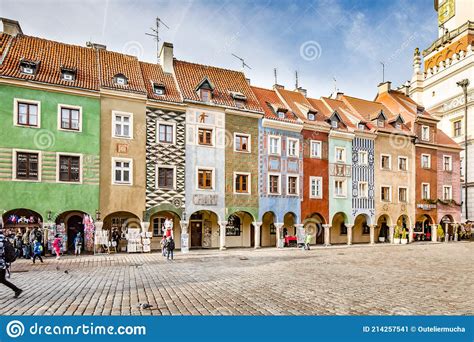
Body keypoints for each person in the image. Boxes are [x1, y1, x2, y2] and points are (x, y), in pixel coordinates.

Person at [0, 227, 23, 298]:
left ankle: (17, 290)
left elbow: (1, 253)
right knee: (2, 280)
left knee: (2, 280)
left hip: (0, 264)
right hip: (3, 263)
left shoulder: (0, 242)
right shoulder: (4, 240)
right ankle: (17, 290)